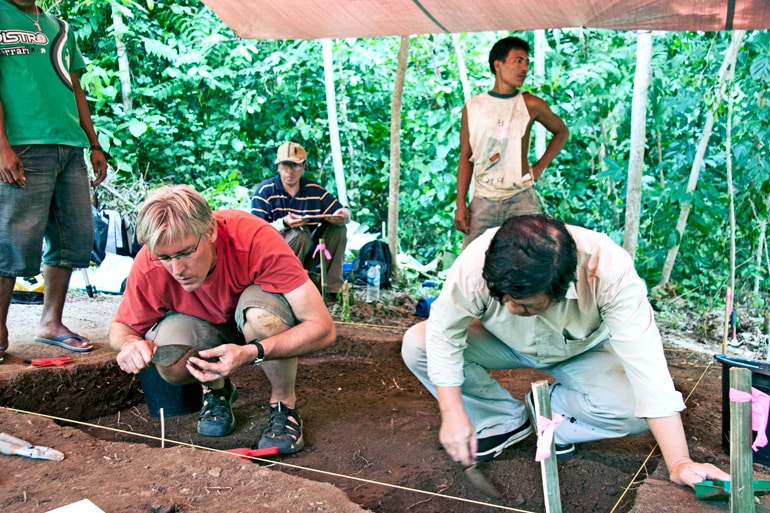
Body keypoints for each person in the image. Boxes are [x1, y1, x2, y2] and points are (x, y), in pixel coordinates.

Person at [402, 215, 729, 490]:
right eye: (505, 298)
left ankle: (554, 415)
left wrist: (680, 462)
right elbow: (444, 334)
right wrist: (454, 413)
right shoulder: (477, 262)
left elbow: (649, 367)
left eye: (526, 304)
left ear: (562, 287)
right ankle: (501, 421)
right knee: (420, 344)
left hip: (581, 350)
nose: (512, 308)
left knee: (633, 410)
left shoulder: (608, 271)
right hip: (500, 343)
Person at [110, 185, 335, 454]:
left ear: (210, 232)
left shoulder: (255, 239)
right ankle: (216, 390)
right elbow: (121, 327)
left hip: (254, 323)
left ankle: (284, 404)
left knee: (263, 319)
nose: (177, 269)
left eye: (185, 253)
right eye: (165, 258)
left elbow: (322, 328)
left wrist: (252, 353)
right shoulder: (149, 261)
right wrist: (129, 344)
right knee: (167, 347)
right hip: (206, 329)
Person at [0, 0, 108, 364]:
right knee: (13, 239)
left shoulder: (59, 26)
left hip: (69, 143)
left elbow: (76, 88)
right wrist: (2, 147)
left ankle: (51, 323)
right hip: (22, 143)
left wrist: (94, 144)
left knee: (73, 235)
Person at [454, 36, 569, 248]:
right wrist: (460, 203)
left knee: (531, 259)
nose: (524, 68)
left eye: (527, 62)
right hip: (484, 199)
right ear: (498, 65)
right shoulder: (474, 107)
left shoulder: (530, 103)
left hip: (520, 198)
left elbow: (562, 132)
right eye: (518, 61)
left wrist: (539, 167)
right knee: (472, 260)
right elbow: (465, 157)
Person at [251, 142, 351, 297]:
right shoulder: (265, 191)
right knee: (299, 233)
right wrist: (284, 224)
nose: (290, 171)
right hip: (274, 258)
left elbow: (342, 210)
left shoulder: (314, 189)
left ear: (304, 167)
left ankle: (332, 289)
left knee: (338, 229)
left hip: (308, 253)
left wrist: (343, 215)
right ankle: (289, 288)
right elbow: (254, 233)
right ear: (278, 167)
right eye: (285, 166)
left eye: (296, 166)